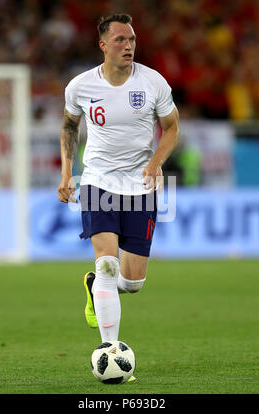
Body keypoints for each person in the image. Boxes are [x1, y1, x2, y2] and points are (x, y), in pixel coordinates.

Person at [57, 13, 180, 381]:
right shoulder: (80, 86)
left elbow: (172, 127)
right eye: (120, 40)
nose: (128, 46)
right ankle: (109, 349)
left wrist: (156, 162)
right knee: (107, 264)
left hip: (140, 187)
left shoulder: (153, 82)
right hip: (98, 183)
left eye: (132, 40)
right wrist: (66, 172)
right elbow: (69, 125)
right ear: (103, 45)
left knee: (132, 282)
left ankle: (95, 288)